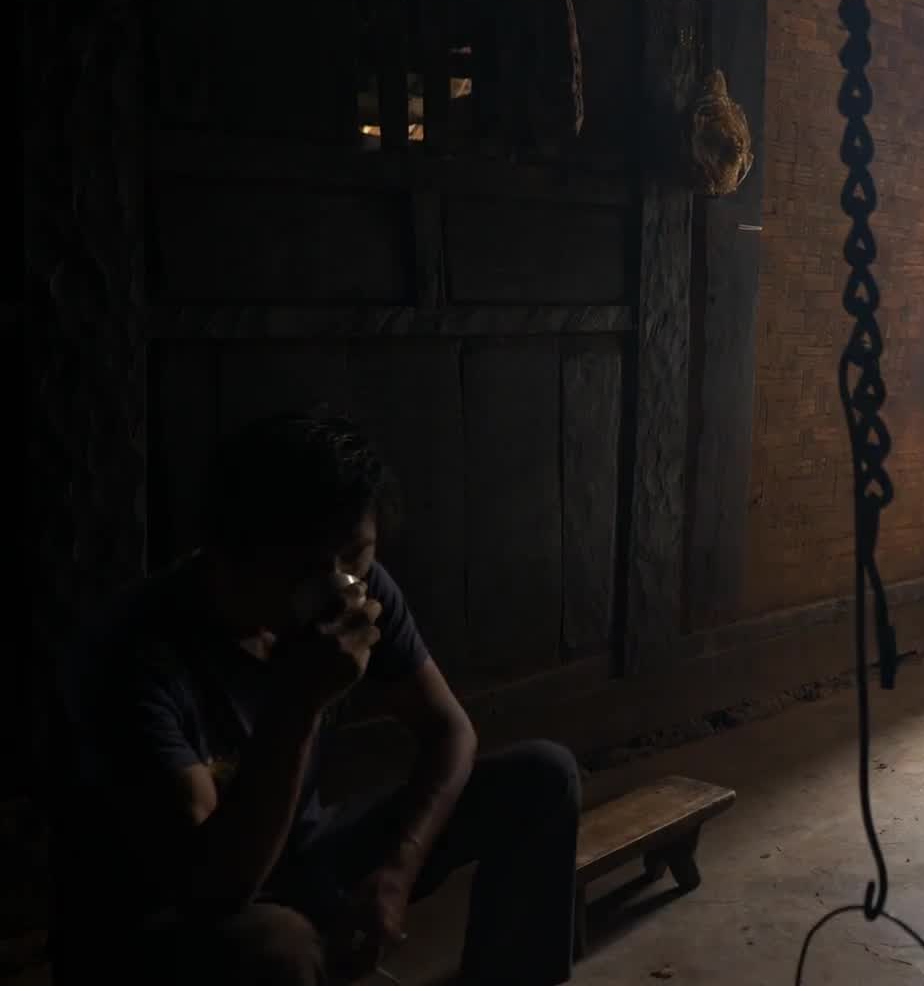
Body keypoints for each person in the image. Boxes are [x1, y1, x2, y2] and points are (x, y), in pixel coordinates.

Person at [59, 411, 581, 985]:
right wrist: (299, 703)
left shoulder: (361, 591)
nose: (337, 583)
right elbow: (214, 887)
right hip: (162, 915)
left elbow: (450, 733)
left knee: (543, 778)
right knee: (277, 946)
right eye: (306, 565)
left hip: (301, 854)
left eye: (355, 555)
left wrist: (398, 869)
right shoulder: (134, 655)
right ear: (231, 550)